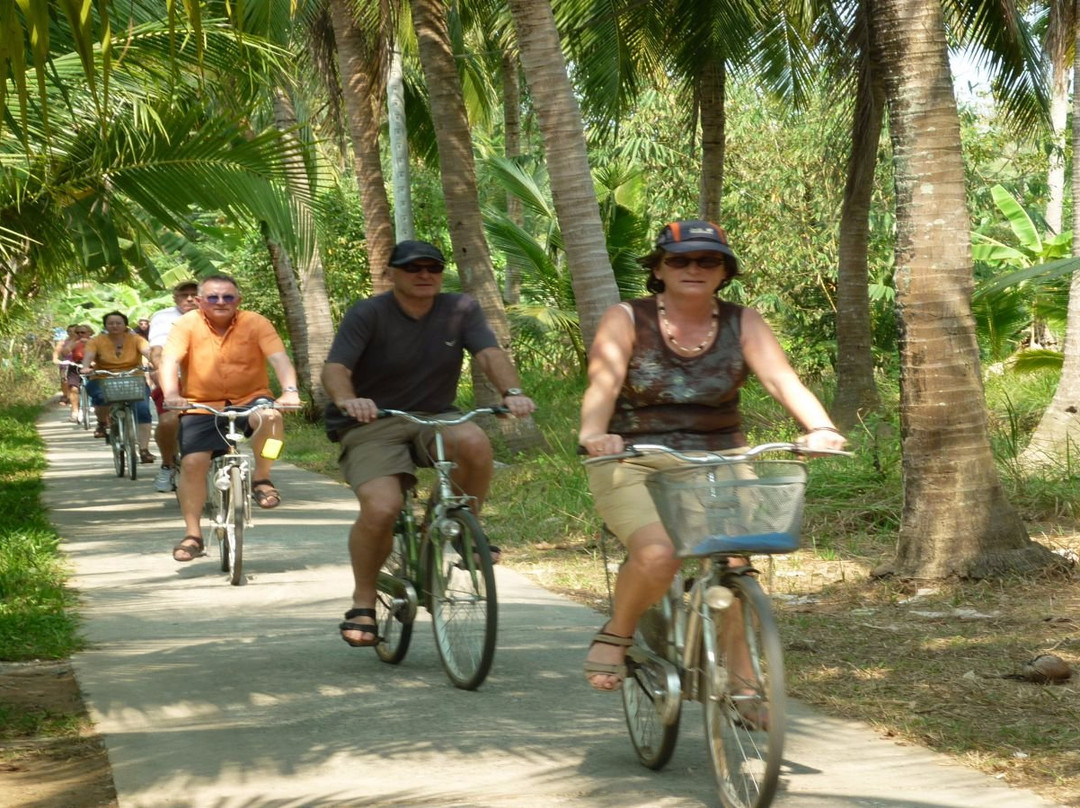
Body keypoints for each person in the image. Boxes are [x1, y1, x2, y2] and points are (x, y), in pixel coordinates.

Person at [578, 220, 847, 703]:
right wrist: (595, 433)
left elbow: (781, 380)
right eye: (679, 260)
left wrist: (820, 427)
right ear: (659, 269)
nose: (693, 269)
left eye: (708, 260)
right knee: (659, 553)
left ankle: (744, 686)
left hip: (717, 455)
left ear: (725, 271)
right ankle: (616, 634)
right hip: (635, 455)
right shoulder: (626, 318)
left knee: (733, 562)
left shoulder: (743, 321)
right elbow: (603, 383)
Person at [321, 239, 536, 647]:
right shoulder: (369, 312)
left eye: (432, 268)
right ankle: (363, 600)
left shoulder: (460, 309)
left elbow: (489, 353)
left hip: (435, 416)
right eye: (413, 268)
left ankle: (458, 525)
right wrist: (349, 400)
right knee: (382, 507)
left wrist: (511, 392)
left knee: (473, 439)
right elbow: (336, 367)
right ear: (392, 273)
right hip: (373, 420)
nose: (424, 276)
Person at [159, 274, 301, 563]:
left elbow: (278, 358)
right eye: (212, 297)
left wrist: (289, 392)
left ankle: (262, 478)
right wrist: (172, 394)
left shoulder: (256, 322)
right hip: (200, 403)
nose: (220, 302)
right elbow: (170, 360)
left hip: (251, 397)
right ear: (199, 301)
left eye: (228, 297)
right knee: (192, 463)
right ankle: (193, 534)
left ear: (239, 300)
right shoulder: (186, 324)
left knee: (272, 418)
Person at [81, 312, 157, 462]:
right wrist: (85, 367)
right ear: (105, 325)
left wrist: (155, 362)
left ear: (125, 325)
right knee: (100, 397)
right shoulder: (96, 341)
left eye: (118, 323)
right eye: (111, 323)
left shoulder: (136, 339)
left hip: (133, 378)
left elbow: (148, 352)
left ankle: (144, 449)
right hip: (103, 377)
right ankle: (102, 422)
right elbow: (89, 355)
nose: (114, 326)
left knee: (143, 411)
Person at [147, 280, 200, 492]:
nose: (189, 298)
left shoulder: (215, 313)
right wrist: (164, 374)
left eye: (193, 294)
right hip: (174, 376)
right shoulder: (164, 317)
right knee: (169, 420)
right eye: (183, 294)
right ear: (174, 298)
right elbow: (157, 350)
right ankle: (167, 465)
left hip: (210, 378)